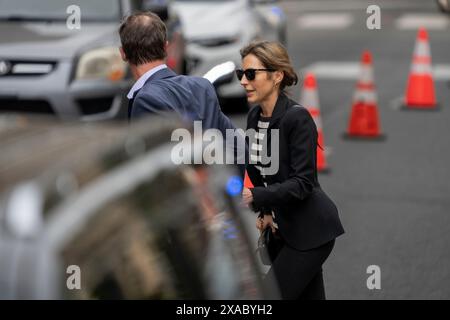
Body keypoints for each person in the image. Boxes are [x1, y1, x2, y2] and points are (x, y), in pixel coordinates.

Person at [240, 41, 345, 300]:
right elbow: (257, 170)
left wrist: (257, 196)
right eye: (240, 74)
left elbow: (303, 183)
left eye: (251, 74)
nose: (243, 81)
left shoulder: (297, 119)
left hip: (311, 231)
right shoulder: (254, 118)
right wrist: (264, 211)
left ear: (277, 76)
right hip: (286, 229)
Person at [118, 11, 245, 173]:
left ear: (123, 53)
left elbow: (153, 171)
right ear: (165, 47)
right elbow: (238, 149)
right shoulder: (202, 86)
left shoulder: (145, 100)